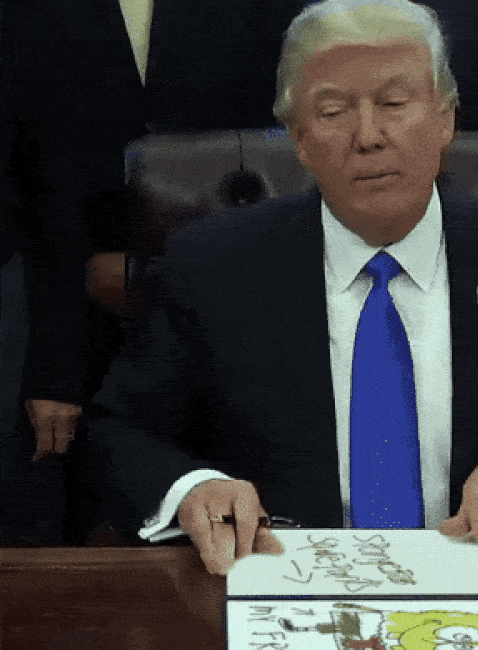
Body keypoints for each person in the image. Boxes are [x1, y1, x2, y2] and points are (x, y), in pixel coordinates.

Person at [77, 0, 478, 574]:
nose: (369, 135)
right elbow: (115, 434)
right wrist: (193, 489)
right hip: (286, 583)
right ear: (299, 140)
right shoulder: (214, 266)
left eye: (395, 102)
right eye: (332, 111)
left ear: (446, 119)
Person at [0, 0, 303, 543]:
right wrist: (55, 356)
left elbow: (289, 146)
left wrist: (144, 274)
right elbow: (37, 174)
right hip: (61, 303)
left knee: (232, 510)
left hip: (227, 298)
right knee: (57, 517)